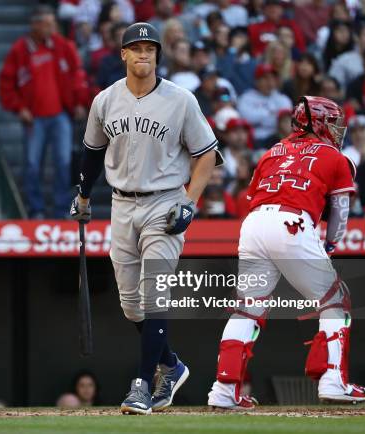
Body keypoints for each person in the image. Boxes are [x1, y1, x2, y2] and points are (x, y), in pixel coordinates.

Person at [70, 22, 221, 415]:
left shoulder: (180, 99)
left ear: (157, 55)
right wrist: (83, 196)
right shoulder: (105, 100)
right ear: (123, 54)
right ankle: (171, 365)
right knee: (131, 305)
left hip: (165, 202)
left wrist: (191, 201)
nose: (142, 55)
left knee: (155, 294)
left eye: (149, 49)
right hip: (121, 204)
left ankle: (141, 385)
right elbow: (91, 153)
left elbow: (205, 154)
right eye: (135, 48)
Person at [207, 96, 365, 410]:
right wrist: (329, 247)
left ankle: (224, 390)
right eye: (333, 122)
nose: (337, 130)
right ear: (317, 122)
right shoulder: (336, 157)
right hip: (292, 224)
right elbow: (340, 213)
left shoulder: (272, 151)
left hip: (253, 223)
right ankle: (333, 380)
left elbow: (251, 194)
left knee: (246, 310)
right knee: (335, 300)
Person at [0, 5, 88, 219]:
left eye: (53, 23)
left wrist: (78, 102)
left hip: (61, 115)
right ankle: (36, 209)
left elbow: (77, 75)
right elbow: (6, 84)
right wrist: (19, 108)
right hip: (34, 118)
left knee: (64, 162)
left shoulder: (63, 46)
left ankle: (60, 209)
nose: (53, 28)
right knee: (32, 164)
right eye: (48, 24)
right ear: (35, 25)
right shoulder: (20, 50)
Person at [237, 64, 292, 148]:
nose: (269, 81)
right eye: (265, 78)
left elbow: (287, 122)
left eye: (272, 78)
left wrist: (258, 119)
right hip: (255, 141)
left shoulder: (283, 99)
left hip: (278, 139)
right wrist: (270, 114)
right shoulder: (246, 98)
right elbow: (246, 119)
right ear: (257, 81)